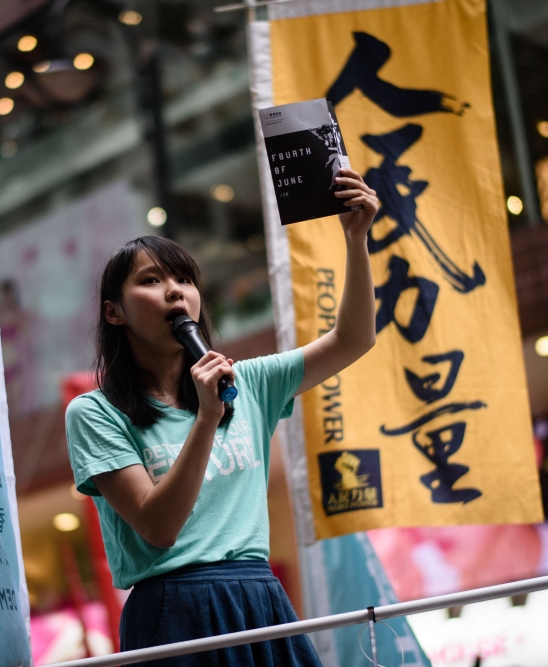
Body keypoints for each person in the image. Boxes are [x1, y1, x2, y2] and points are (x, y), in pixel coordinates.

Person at [65, 169, 379, 666]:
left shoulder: (246, 383)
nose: (175, 292)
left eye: (184, 279)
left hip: (258, 597)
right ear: (114, 313)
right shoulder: (95, 412)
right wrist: (207, 418)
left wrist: (357, 240)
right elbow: (159, 527)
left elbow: (353, 338)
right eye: (150, 281)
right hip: (172, 610)